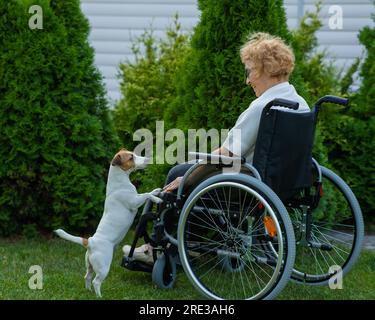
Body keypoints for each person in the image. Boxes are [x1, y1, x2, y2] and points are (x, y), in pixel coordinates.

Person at [123, 32, 310, 264]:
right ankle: (186, 244)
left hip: (248, 185)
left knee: (179, 173)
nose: (247, 80)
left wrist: (187, 178)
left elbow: (226, 154)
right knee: (189, 173)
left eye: (249, 71)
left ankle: (157, 248)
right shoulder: (300, 103)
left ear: (266, 69)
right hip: (283, 184)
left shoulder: (264, 107)